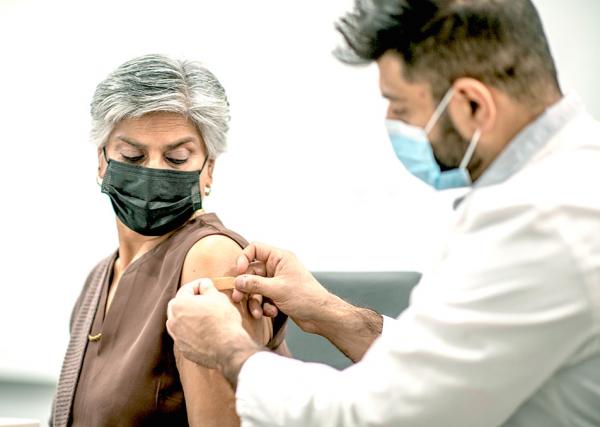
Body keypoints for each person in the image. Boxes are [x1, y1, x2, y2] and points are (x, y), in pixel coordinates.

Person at [166, 0, 600, 426]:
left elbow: (377, 414)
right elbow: (451, 366)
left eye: (401, 106)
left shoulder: (545, 220)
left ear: (471, 105)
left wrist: (229, 349)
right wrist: (328, 312)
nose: (391, 120)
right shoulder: (569, 177)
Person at [51, 54, 288, 427]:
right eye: (132, 155)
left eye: (177, 158)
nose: (153, 172)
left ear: (208, 170)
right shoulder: (101, 276)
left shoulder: (209, 258)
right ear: (102, 161)